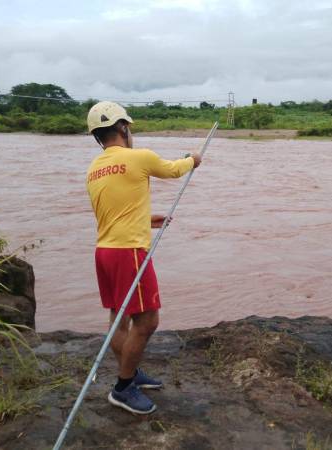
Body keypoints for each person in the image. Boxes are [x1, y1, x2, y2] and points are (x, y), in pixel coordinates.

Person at [85, 101, 201, 414]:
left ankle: (130, 373)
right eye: (129, 127)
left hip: (105, 251)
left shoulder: (95, 168)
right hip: (129, 252)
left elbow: (113, 211)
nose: (130, 132)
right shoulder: (140, 157)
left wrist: (148, 220)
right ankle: (123, 388)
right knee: (148, 320)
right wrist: (194, 159)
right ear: (123, 127)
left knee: (118, 318)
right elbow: (174, 170)